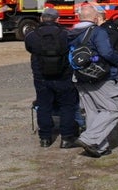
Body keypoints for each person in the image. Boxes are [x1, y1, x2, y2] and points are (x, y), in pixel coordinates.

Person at [66, 3, 118, 157]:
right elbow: (106, 53)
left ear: (79, 17)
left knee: (92, 111)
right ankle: (89, 139)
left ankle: (100, 147)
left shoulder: (71, 33)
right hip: (100, 76)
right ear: (95, 18)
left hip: (79, 76)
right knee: (116, 107)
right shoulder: (97, 31)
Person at [24, 8, 80, 148]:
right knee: (67, 106)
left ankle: (45, 138)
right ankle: (66, 138)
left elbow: (30, 48)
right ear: (58, 19)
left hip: (41, 76)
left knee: (44, 106)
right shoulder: (66, 34)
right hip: (63, 75)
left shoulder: (31, 35)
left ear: (41, 19)